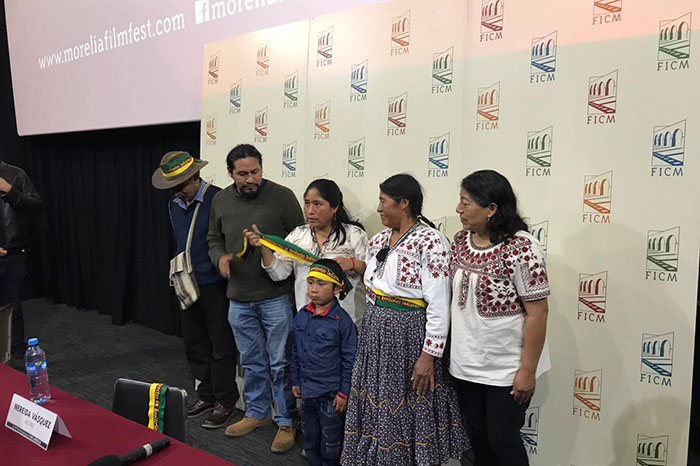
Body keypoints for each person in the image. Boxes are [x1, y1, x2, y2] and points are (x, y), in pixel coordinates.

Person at [341, 174, 468, 466]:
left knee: (408, 400)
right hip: (375, 331)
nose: (379, 208)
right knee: (377, 398)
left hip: (408, 335)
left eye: (383, 201)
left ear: (404, 203)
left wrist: (429, 355)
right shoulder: (379, 240)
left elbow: (439, 303)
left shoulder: (430, 241)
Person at [449, 170, 550, 466]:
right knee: (477, 439)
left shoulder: (522, 248)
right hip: (466, 366)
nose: (458, 209)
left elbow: (538, 312)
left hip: (506, 369)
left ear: (491, 208)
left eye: (466, 203)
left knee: (502, 440)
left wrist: (527, 371)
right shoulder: (460, 240)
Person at [207, 143, 304, 453]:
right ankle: (257, 412)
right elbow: (213, 238)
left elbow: (300, 241)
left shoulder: (283, 196)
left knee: (281, 362)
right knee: (251, 361)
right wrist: (220, 257)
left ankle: (286, 421)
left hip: (276, 296)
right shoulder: (220, 200)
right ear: (230, 173)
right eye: (242, 174)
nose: (250, 179)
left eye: (255, 172)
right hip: (237, 297)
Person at [151, 151, 240, 429]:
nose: (177, 192)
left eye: (180, 185)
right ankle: (206, 394)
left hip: (215, 284)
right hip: (186, 283)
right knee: (194, 342)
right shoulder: (174, 205)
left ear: (195, 177)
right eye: (172, 187)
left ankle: (225, 400)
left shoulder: (218, 199)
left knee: (221, 344)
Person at [245, 179, 368, 324]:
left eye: (317, 204)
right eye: (307, 203)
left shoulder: (354, 234)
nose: (310, 211)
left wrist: (353, 264)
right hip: (309, 320)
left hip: (347, 320)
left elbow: (374, 277)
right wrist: (264, 248)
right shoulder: (297, 235)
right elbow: (279, 274)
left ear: (334, 207)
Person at [291, 258, 357, 466]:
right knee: (310, 437)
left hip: (331, 394)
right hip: (307, 391)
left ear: (337, 288)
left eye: (321, 284)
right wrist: (295, 380)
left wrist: (344, 392)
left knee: (331, 442)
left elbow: (350, 360)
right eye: (311, 282)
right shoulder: (302, 315)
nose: (314, 289)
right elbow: (295, 350)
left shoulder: (343, 322)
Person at [0, 158, 42, 362]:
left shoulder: (15, 174)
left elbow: (36, 206)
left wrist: (10, 191)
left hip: (13, 251)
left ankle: (15, 355)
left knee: (13, 307)